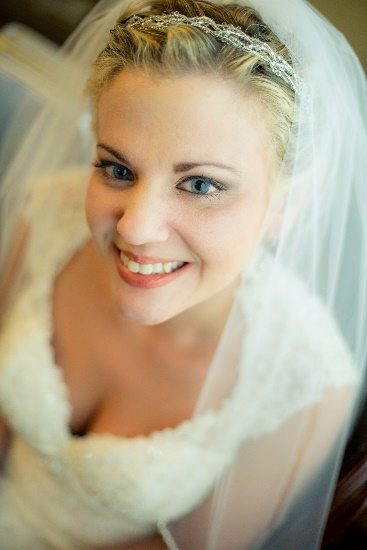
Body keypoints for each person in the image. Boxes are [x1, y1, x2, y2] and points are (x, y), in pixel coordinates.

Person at [0, 0, 366, 548]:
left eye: (200, 185)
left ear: (288, 206)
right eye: (118, 169)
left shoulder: (309, 386)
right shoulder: (47, 217)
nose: (136, 228)